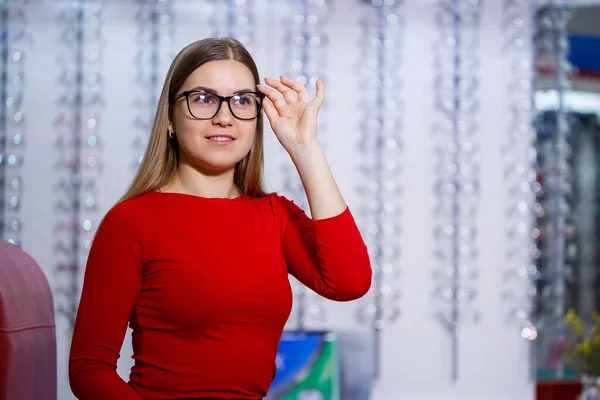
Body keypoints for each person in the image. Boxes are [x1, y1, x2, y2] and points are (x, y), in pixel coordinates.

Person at [68, 37, 372, 400]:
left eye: (242, 101)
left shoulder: (275, 216)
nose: (224, 116)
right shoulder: (131, 221)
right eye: (203, 98)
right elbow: (89, 368)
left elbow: (349, 282)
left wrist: (306, 150)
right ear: (169, 119)